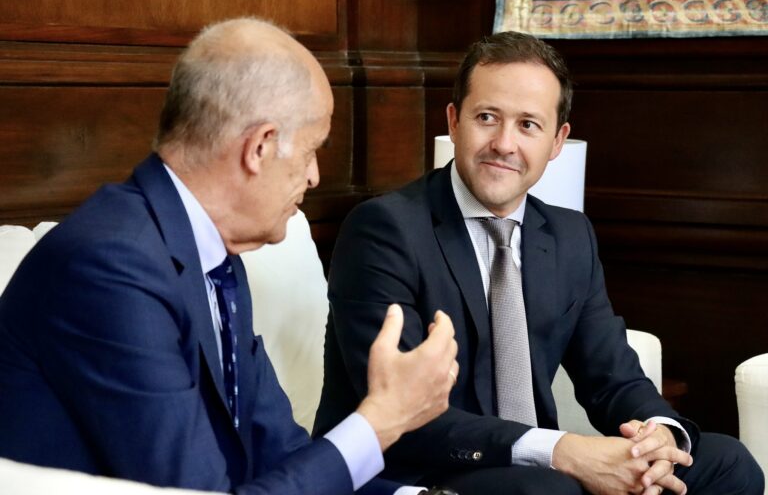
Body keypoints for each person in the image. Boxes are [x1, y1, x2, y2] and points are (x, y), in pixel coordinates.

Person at [0, 18, 462, 495]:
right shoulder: (110, 267)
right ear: (260, 147)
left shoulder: (215, 255)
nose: (315, 177)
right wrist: (382, 420)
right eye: (311, 151)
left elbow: (278, 455)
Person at [314, 31, 765, 495]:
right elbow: (400, 413)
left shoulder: (569, 236)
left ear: (557, 141)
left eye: (528, 125)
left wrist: (659, 436)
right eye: (487, 118)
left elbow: (612, 377)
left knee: (727, 463)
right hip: (418, 470)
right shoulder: (384, 229)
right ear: (453, 121)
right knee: (548, 490)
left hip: (536, 474)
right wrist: (562, 450)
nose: (504, 144)